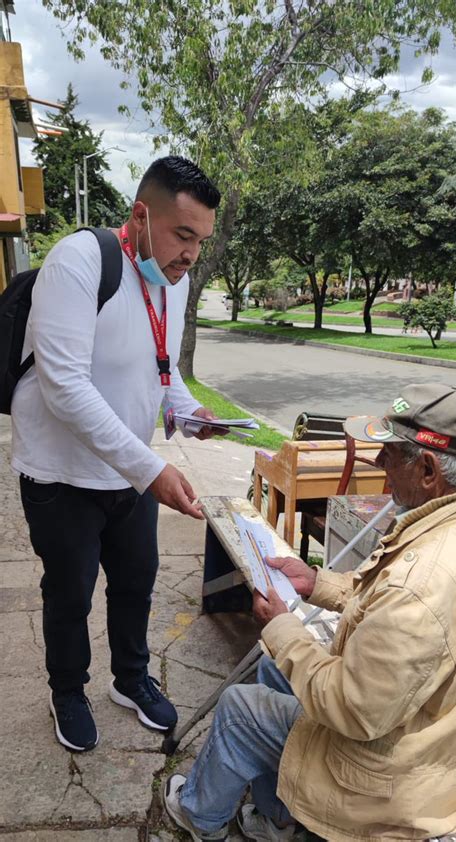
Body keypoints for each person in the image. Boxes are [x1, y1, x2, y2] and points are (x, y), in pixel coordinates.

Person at [163, 383, 456, 842]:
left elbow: (352, 708)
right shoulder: (452, 522)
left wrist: (282, 628)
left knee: (239, 707)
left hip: (397, 775)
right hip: (430, 731)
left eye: (389, 453)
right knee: (273, 671)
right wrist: (317, 584)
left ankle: (200, 818)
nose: (377, 464)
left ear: (428, 469)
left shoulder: (423, 580)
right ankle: (278, 819)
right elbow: (386, 600)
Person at [11, 156, 222, 752]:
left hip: (128, 476)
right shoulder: (79, 262)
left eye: (201, 241)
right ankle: (68, 691)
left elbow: (162, 372)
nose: (191, 255)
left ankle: (130, 678)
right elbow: (65, 385)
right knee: (70, 591)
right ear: (139, 215)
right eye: (183, 234)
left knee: (137, 581)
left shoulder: (168, 282)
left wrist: (189, 414)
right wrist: (152, 468)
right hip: (60, 474)